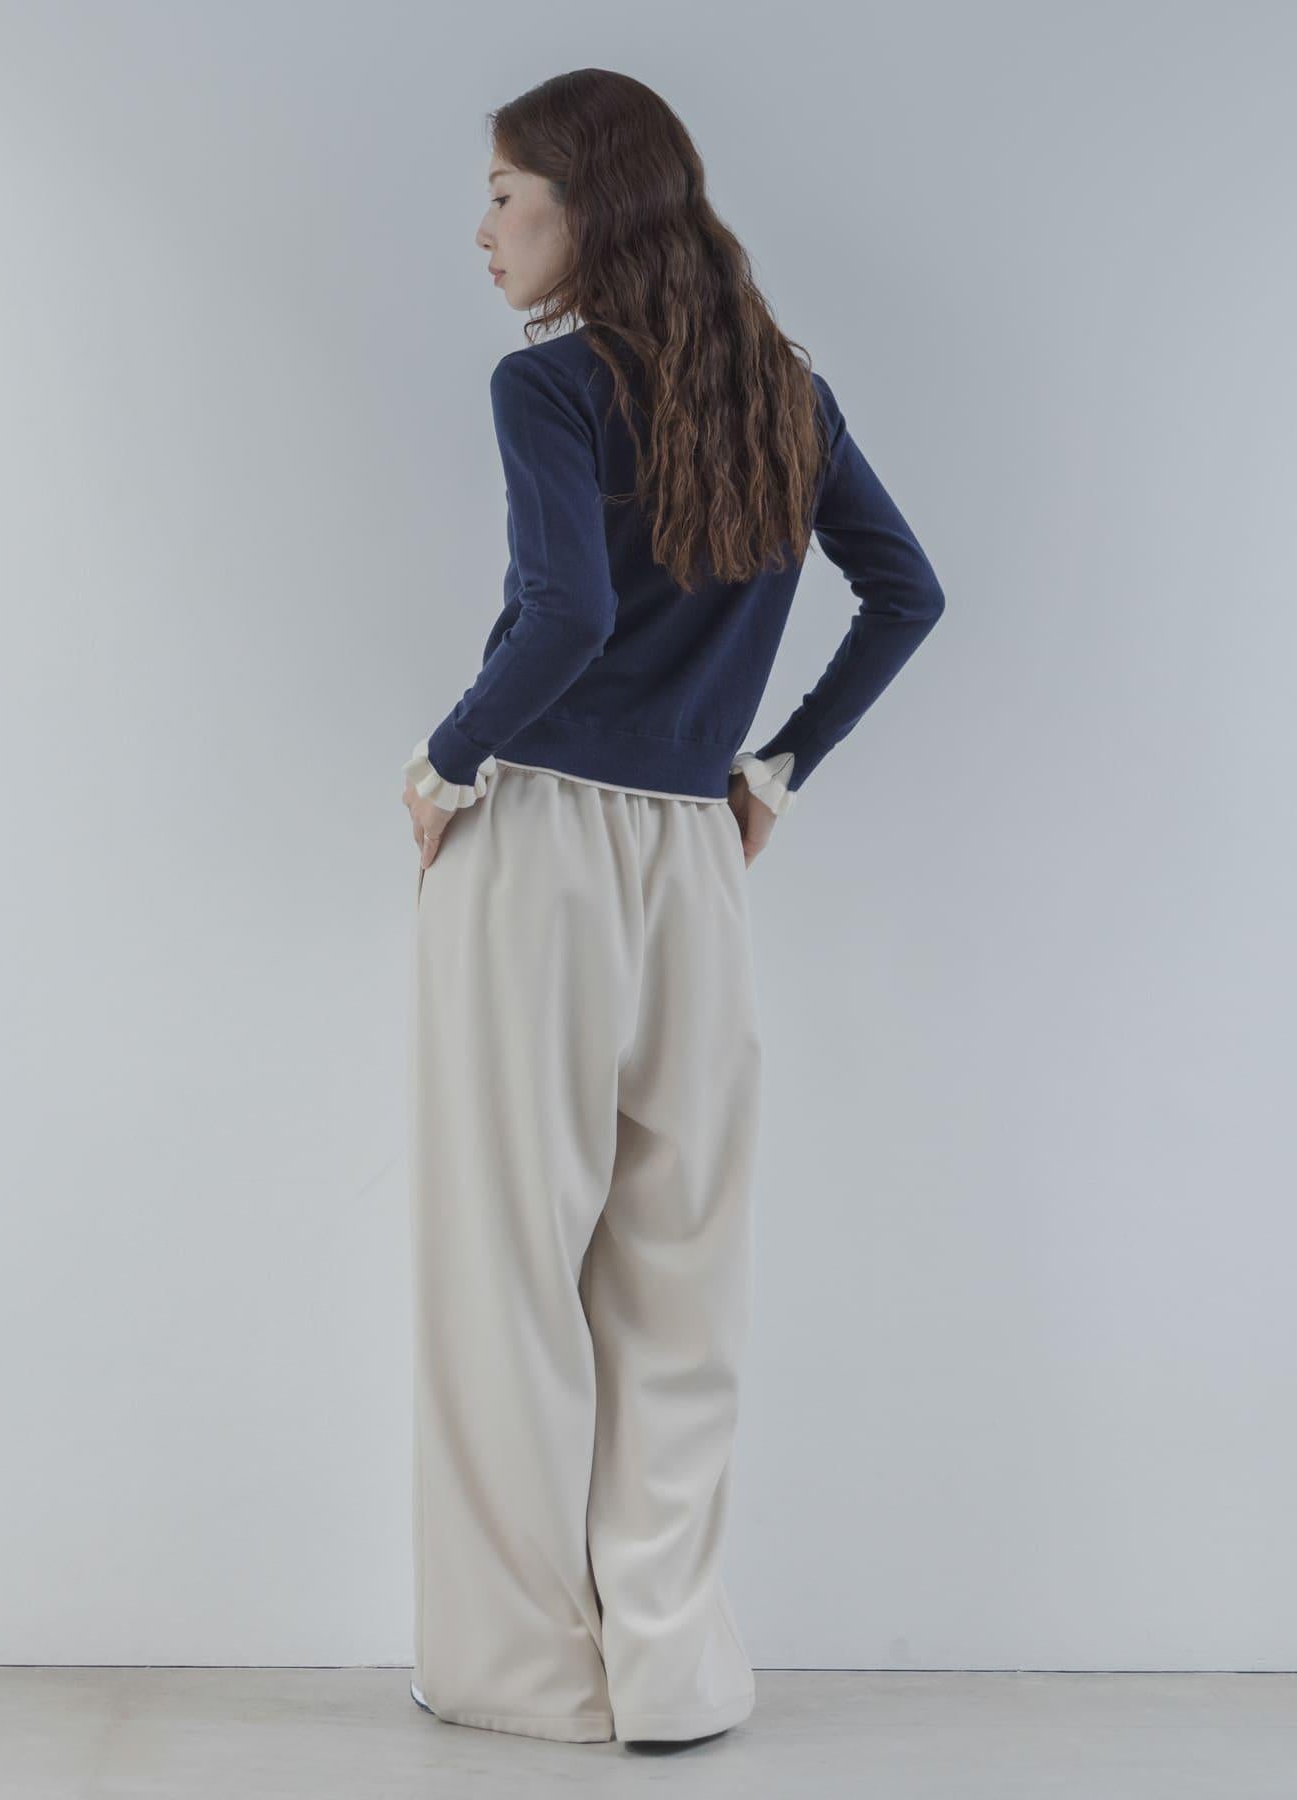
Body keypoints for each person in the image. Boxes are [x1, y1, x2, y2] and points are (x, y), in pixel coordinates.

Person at [400, 69, 946, 1752]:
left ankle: (523, 1671)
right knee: (677, 1272)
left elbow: (561, 614)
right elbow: (907, 592)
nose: (483, 227)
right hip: (697, 863)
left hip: (541, 845)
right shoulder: (782, 391)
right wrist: (773, 771)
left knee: (508, 1268)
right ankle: (672, 1668)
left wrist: (443, 762)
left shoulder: (548, 388)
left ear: (586, 204)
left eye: (506, 193)